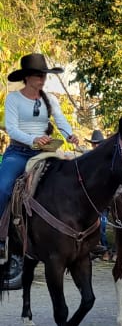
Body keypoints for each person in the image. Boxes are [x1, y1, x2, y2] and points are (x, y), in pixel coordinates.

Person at [0, 53, 79, 262]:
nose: (42, 80)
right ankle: (1, 238)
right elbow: (12, 129)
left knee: (73, 178)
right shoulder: (14, 99)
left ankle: (78, 232)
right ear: (26, 77)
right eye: (38, 76)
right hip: (19, 152)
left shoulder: (50, 98)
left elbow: (60, 120)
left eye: (44, 76)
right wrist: (33, 138)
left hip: (46, 151)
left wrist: (69, 134)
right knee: (3, 187)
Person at [89, 129, 112, 260]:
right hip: (90, 200)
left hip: (103, 200)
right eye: (94, 143)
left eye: (98, 143)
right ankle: (93, 249)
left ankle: (105, 250)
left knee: (102, 226)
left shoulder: (107, 160)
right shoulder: (89, 159)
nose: (96, 145)